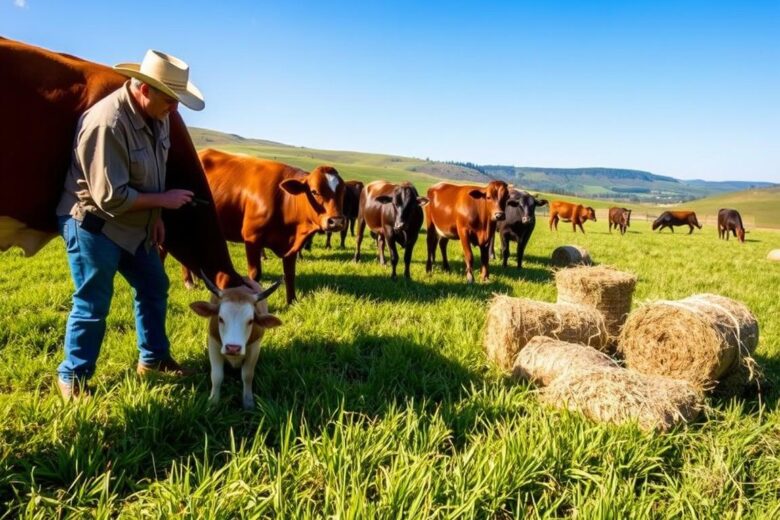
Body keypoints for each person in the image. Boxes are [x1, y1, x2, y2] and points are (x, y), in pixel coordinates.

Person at [55, 50, 205, 400]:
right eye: (170, 99)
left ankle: (153, 359)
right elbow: (109, 197)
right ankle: (72, 378)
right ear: (143, 89)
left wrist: (155, 218)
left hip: (136, 226)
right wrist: (164, 202)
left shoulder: (160, 117)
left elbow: (152, 177)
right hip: (94, 224)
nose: (175, 108)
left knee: (154, 285)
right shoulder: (107, 123)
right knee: (93, 302)